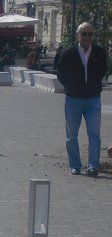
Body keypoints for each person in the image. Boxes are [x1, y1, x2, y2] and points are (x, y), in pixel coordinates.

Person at [57, 22, 108, 177]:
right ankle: (75, 165)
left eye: (90, 34)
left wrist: (94, 85)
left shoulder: (99, 52)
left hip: (93, 99)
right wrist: (71, 87)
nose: (87, 37)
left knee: (94, 134)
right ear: (77, 36)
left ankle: (93, 166)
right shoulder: (69, 53)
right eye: (84, 33)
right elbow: (61, 73)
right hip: (73, 99)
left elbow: (103, 70)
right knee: (72, 135)